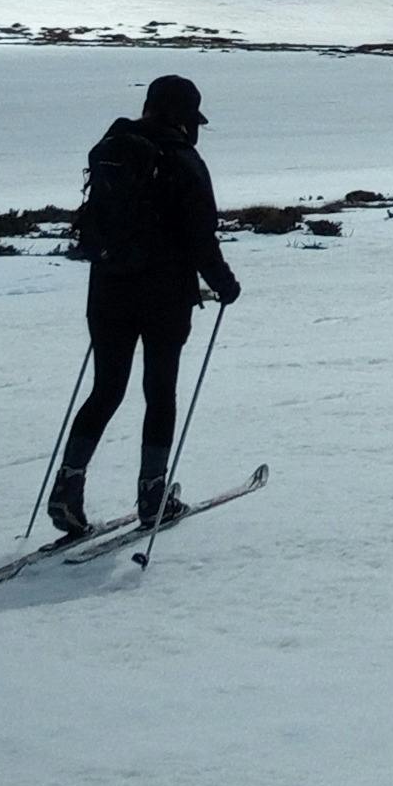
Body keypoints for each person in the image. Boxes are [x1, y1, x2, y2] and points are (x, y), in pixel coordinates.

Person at [51, 73, 241, 534]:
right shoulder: (184, 162)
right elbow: (201, 239)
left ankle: (67, 487)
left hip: (108, 288)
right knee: (159, 393)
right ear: (183, 117)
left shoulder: (115, 147)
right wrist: (224, 284)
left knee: (106, 389)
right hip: (165, 296)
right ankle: (153, 497)